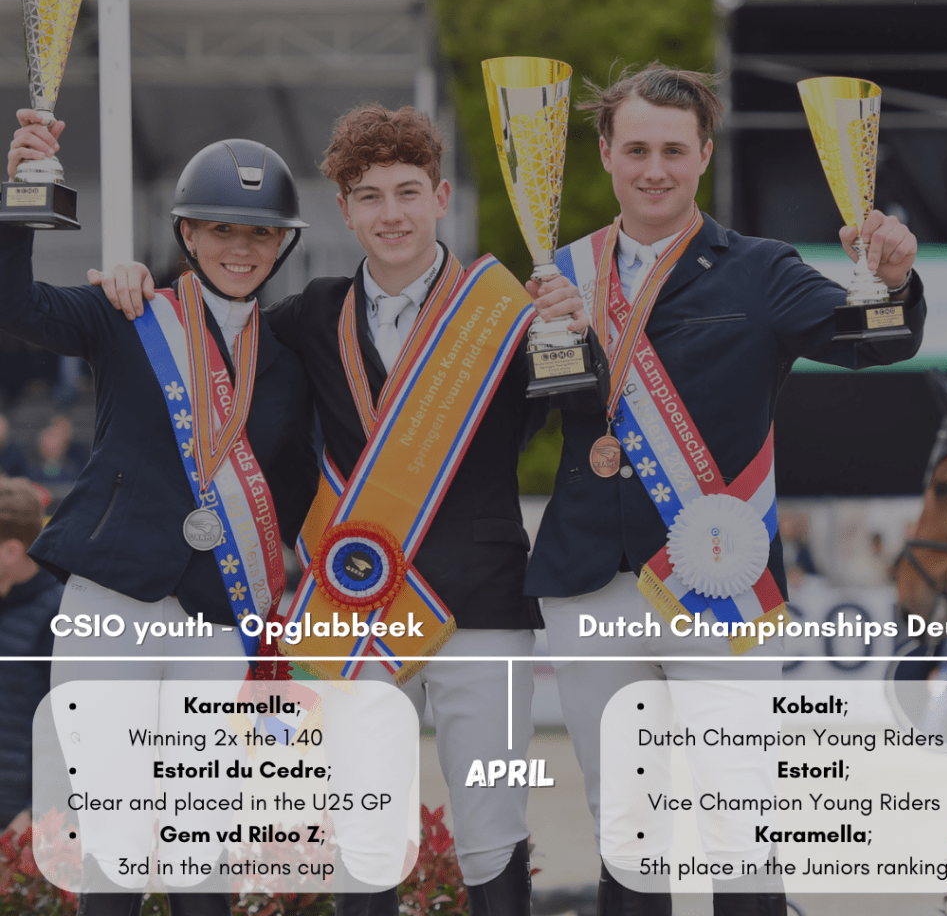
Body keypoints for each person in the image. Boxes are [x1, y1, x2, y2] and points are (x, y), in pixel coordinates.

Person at [95, 103, 599, 916]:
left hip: (483, 606)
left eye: (407, 192)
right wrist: (137, 286)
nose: (391, 214)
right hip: (355, 606)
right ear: (345, 211)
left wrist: (577, 333)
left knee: (492, 830)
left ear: (440, 197)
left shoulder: (507, 312)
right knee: (362, 829)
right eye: (370, 196)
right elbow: (209, 336)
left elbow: (588, 415)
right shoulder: (307, 315)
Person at [524, 64, 926, 916]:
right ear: (606, 154)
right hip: (592, 581)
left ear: (704, 154)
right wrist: (547, 339)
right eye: (637, 149)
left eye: (674, 150)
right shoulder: (556, 274)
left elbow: (874, 341)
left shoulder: (760, 269)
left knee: (741, 825)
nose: (655, 169)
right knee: (627, 831)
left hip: (719, 584)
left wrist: (892, 281)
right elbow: (514, 425)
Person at [2, 109, 318, 916]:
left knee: (199, 844)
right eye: (221, 229)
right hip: (114, 598)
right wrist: (22, 194)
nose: (241, 248)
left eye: (261, 233)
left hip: (217, 611)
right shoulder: (129, 312)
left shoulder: (287, 362)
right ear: (186, 233)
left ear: (283, 244)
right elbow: (16, 306)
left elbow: (291, 488)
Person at [0, 476, 60, 844]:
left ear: (11, 550)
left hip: (19, 827)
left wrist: (33, 810)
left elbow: (70, 728)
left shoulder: (61, 615)